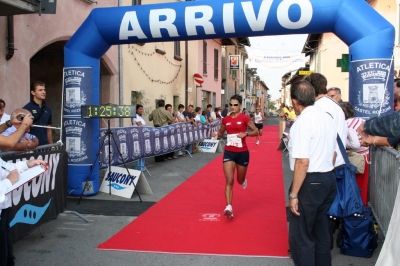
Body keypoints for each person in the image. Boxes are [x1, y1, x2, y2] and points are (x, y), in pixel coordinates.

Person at [287, 80, 337, 266]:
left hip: (310, 180)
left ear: (294, 101)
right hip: (327, 178)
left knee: (302, 236)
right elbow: (333, 153)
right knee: (321, 233)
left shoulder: (303, 122)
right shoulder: (326, 117)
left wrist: (294, 194)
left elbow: (302, 161)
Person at [212, 94, 259, 219]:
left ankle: (243, 180)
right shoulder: (225, 120)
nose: (232, 107)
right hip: (229, 152)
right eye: (230, 105)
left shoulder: (244, 118)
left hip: (242, 153)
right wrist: (217, 133)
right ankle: (229, 207)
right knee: (229, 180)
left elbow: (256, 131)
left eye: (235, 105)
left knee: (239, 180)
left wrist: (246, 134)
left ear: (240, 106)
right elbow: (221, 133)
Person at [0, 156, 46, 265]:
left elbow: (5, 168)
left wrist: (27, 164)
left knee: (6, 254)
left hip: (3, 210)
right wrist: (7, 182)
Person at [23, 81, 53, 146]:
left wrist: (51, 146)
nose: (44, 92)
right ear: (33, 92)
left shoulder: (48, 109)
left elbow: (48, 129)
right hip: (31, 146)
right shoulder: (26, 109)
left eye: (44, 90)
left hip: (45, 146)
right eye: (40, 90)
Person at [132, 104, 147, 171]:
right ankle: (138, 167)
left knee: (142, 151)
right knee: (138, 151)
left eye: (142, 109)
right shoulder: (135, 116)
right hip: (137, 136)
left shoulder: (140, 117)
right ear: (136, 110)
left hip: (142, 135)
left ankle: (142, 166)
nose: (141, 110)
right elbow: (140, 125)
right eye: (140, 109)